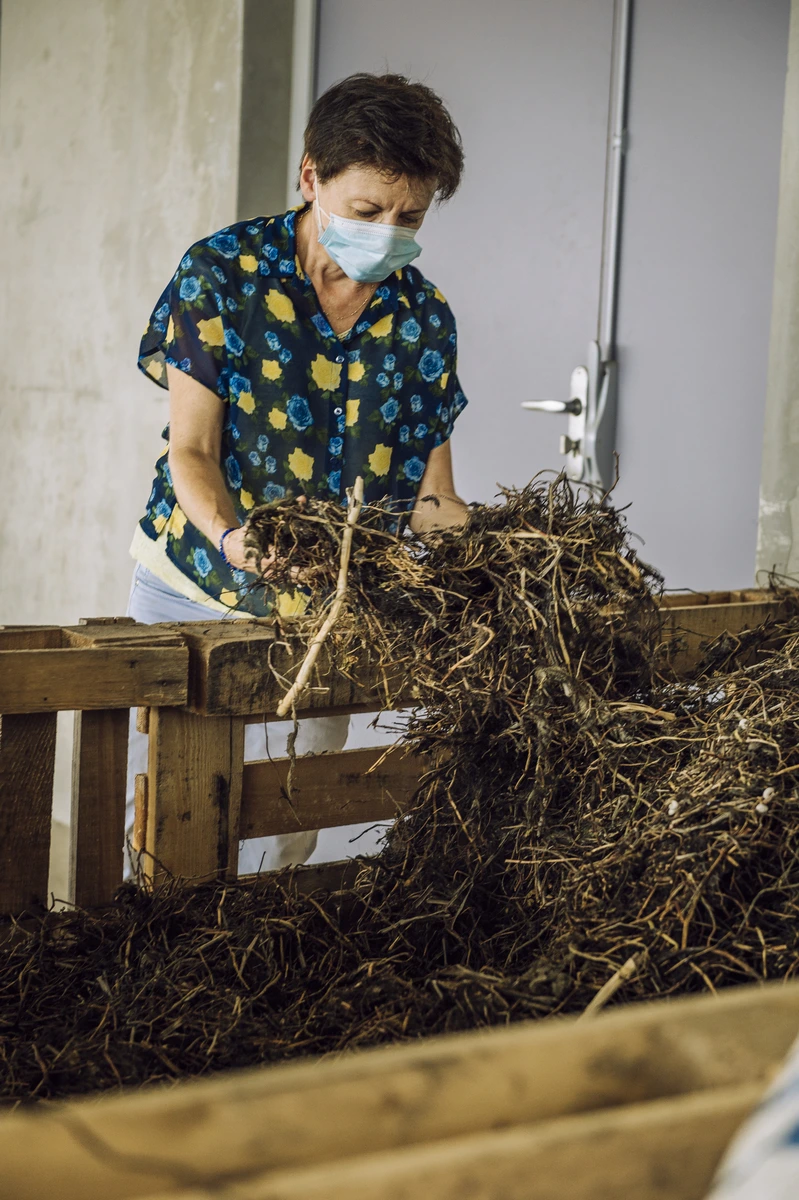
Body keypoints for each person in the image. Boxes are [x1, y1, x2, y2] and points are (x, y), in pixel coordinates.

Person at [126, 72, 470, 873]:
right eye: (367, 211)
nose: (389, 233)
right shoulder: (224, 274)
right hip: (197, 582)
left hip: (328, 615)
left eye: (410, 217)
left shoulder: (421, 318)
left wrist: (495, 552)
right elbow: (194, 452)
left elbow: (429, 496)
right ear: (311, 176)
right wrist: (235, 538)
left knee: (284, 833)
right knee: (165, 831)